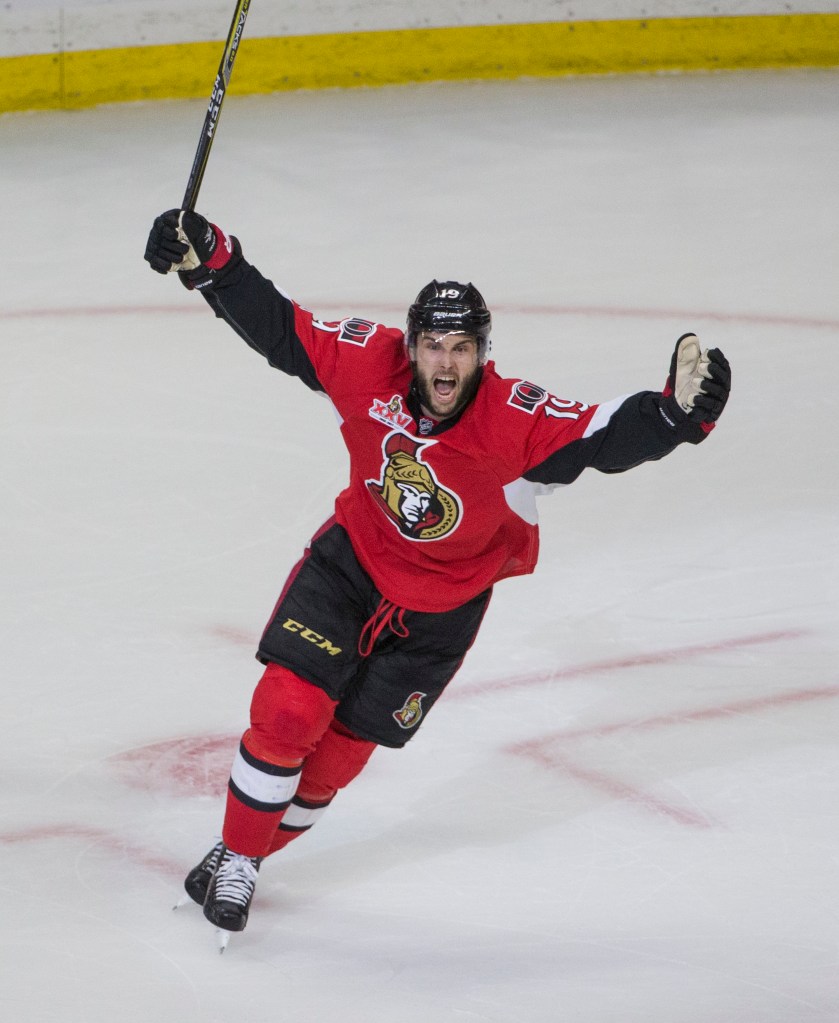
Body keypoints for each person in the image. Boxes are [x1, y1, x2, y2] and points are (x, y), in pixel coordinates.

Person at [144, 209, 731, 941]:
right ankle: (238, 854)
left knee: (330, 768)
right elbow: (282, 330)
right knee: (288, 712)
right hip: (349, 568)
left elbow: (604, 434)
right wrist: (211, 260)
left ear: (482, 353)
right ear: (410, 345)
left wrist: (676, 416)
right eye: (431, 345)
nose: (445, 363)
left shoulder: (514, 420)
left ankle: (244, 851)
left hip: (438, 616)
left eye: (460, 347)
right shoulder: (367, 365)